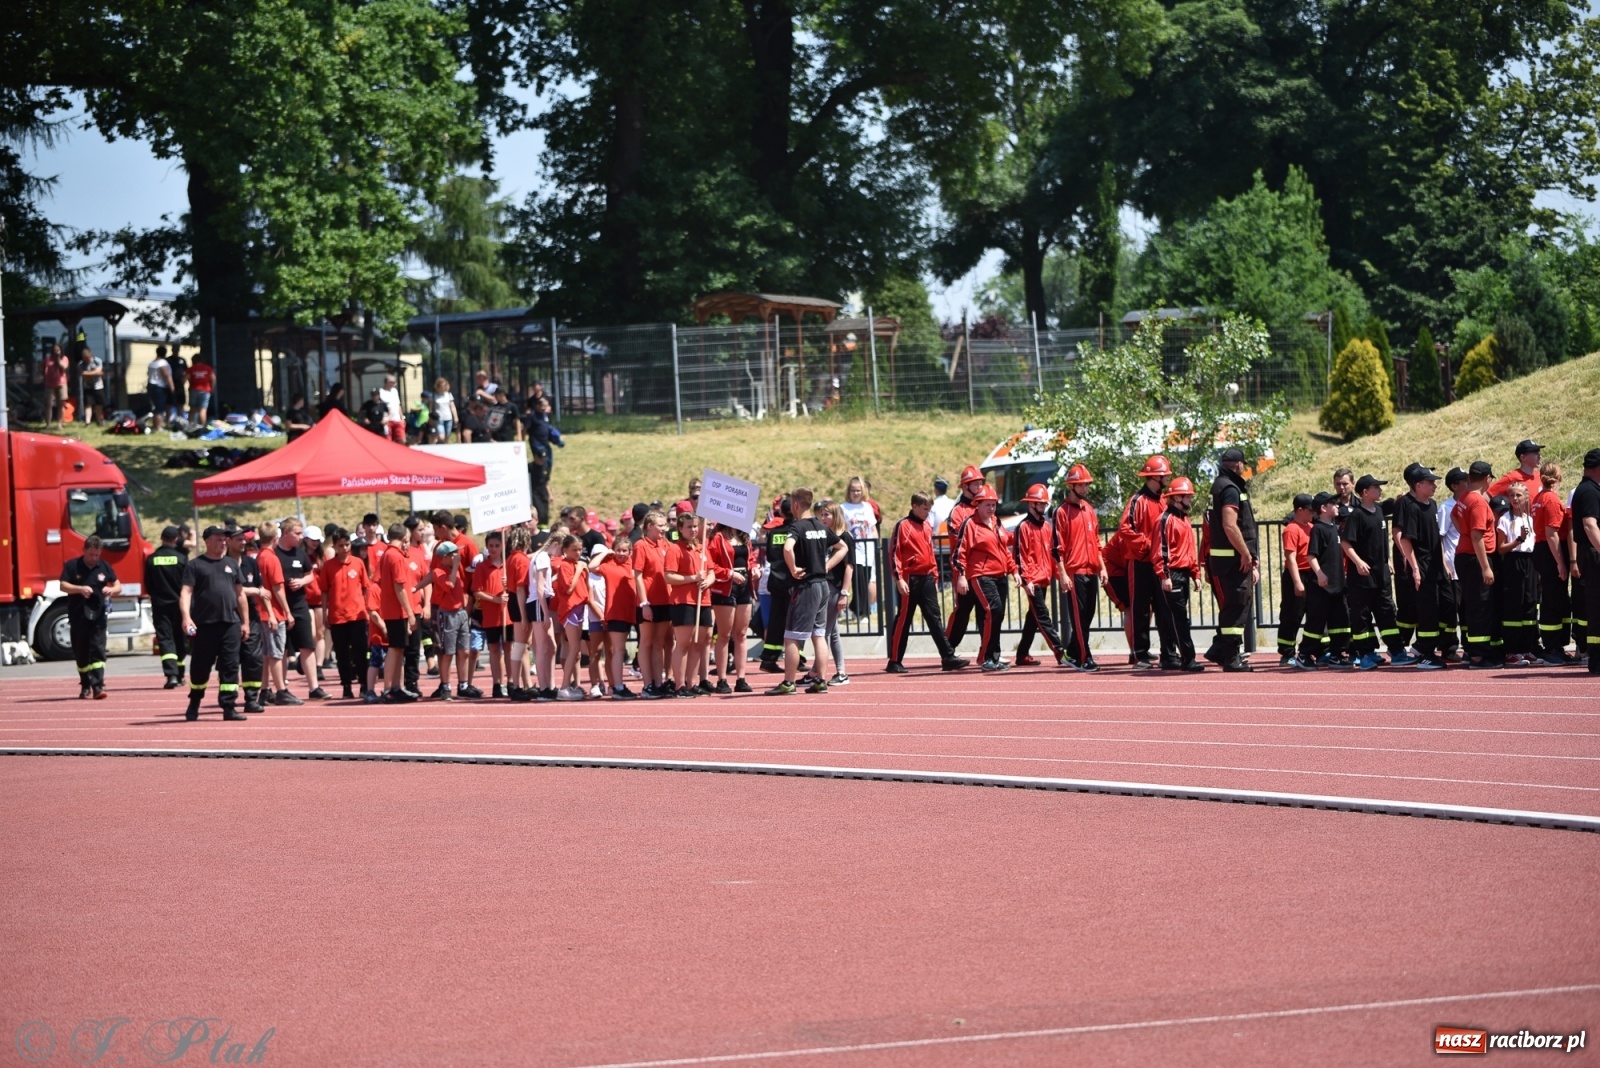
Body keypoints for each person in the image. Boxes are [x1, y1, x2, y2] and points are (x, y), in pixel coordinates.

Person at [768, 487, 846, 695]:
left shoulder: (797, 527)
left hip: (807, 586)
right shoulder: (821, 526)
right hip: (823, 585)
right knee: (819, 635)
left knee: (792, 636)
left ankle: (788, 682)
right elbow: (843, 547)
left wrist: (793, 569)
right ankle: (821, 680)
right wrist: (827, 566)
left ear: (795, 505)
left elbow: (787, 547)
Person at [885, 493, 966, 673]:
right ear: (914, 506)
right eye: (924, 509)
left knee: (934, 617)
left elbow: (930, 553)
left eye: (929, 509)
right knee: (904, 619)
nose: (927, 513)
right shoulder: (902, 525)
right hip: (909, 578)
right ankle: (894, 660)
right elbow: (894, 553)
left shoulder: (928, 526)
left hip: (927, 577)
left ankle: (947, 656)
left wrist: (934, 576)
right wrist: (898, 578)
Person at [177, 527, 249, 720]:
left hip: (230, 624)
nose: (223, 543)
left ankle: (228, 706)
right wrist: (186, 617)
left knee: (230, 666)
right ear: (207, 541)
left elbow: (240, 595)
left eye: (224, 540)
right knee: (200, 667)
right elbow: (186, 593)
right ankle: (194, 702)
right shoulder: (195, 565)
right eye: (218, 540)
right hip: (205, 625)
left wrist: (245, 623)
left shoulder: (232, 564)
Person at [1341, 474, 1407, 670]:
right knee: (1361, 615)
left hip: (1381, 575)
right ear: (1365, 492)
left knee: (1386, 612)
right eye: (1376, 487)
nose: (1380, 490)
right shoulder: (1356, 515)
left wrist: (1386, 561)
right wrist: (1359, 562)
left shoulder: (1378, 511)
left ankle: (1396, 651)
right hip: (1362, 577)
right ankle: (1365, 654)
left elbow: (1379, 543)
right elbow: (1346, 542)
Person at [1111, 455, 1171, 667]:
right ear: (1154, 476)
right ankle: (1139, 654)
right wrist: (1145, 547)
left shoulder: (1164, 500)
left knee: (1164, 608)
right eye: (1164, 475)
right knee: (1140, 609)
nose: (1167, 478)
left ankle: (1168, 653)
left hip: (1158, 563)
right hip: (1140, 562)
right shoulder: (1137, 500)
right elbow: (1125, 527)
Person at [1203, 448, 1258, 672]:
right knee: (1235, 606)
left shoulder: (1221, 485)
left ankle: (1220, 650)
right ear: (1237, 465)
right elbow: (1230, 524)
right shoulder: (1229, 488)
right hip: (1232, 561)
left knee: (1235, 606)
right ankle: (1230, 656)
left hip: (1228, 560)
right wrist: (1245, 553)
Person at [955, 484, 1015, 672]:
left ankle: (993, 655)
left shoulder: (996, 522)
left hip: (1000, 574)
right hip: (981, 575)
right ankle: (986, 657)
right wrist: (962, 576)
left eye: (993, 505)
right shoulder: (970, 524)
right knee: (993, 609)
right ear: (977, 505)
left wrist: (1014, 570)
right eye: (987, 505)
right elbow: (960, 552)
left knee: (997, 613)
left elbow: (1004, 548)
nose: (991, 508)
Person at [1052, 464, 1105, 672]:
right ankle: (1085, 658)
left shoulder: (1090, 510)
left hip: (1091, 570)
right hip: (1074, 573)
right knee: (1079, 618)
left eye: (1086, 485)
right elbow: (1057, 548)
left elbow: (1096, 541)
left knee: (1087, 615)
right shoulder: (1061, 512)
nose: (1085, 489)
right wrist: (1063, 574)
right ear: (1071, 486)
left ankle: (1072, 652)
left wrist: (1102, 568)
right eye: (1081, 485)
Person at [1150, 476, 1204, 672]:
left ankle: (1168, 656)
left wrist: (1195, 574)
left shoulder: (1184, 519)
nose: (1190, 500)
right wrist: (1165, 576)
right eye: (1186, 497)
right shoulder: (1165, 520)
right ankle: (1188, 658)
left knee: (1168, 617)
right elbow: (1160, 550)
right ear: (1176, 498)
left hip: (1182, 573)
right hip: (1171, 574)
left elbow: (1189, 550)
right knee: (1179, 618)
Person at [1395, 466, 1446, 671]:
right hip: (1423, 567)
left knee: (1441, 606)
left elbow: (1437, 538)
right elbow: (1406, 539)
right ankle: (1426, 653)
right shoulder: (1411, 507)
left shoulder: (1432, 505)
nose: (1434, 485)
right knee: (1426, 611)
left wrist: (1443, 564)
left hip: (1436, 567)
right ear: (1418, 485)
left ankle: (1422, 648)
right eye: (1430, 482)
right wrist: (1415, 568)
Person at [60, 535, 121, 698]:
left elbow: (117, 584)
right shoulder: (73, 566)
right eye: (91, 554)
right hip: (78, 615)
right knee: (81, 651)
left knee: (98, 649)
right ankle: (85, 684)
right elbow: (63, 585)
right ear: (84, 551)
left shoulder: (104, 566)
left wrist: (112, 590)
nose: (94, 558)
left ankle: (98, 685)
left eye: (97, 555)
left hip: (99, 614)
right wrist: (80, 589)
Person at [275, 518, 329, 700]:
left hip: (300, 606)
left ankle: (314, 687)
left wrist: (301, 581)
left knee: (307, 646)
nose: (300, 537)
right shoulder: (274, 553)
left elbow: (310, 575)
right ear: (285, 533)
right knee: (281, 650)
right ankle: (281, 689)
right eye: (297, 533)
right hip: (279, 608)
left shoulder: (299, 553)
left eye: (301, 533)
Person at [1011, 483, 1065, 667]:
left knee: (1033, 618)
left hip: (1044, 579)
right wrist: (1026, 581)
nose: (1043, 507)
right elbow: (1019, 557)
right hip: (1032, 581)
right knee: (1042, 615)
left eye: (1044, 504)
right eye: (1040, 504)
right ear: (1031, 505)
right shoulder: (1022, 527)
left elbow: (1052, 555)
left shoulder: (1047, 528)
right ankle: (1060, 651)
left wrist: (1060, 576)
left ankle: (1021, 654)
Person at [1455, 461, 1500, 668]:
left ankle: (1477, 652)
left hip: (1466, 556)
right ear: (1487, 478)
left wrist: (1463, 532)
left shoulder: (1464, 496)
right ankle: (1478, 656)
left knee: (1475, 605)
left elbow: (1455, 515)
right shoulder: (1478, 502)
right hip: (1475, 559)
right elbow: (1476, 537)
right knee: (1480, 607)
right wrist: (1486, 567)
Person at [319, 527, 372, 699]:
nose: (345, 548)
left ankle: (364, 684)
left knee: (360, 652)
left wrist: (367, 609)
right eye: (341, 545)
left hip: (357, 615)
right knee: (342, 654)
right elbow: (325, 591)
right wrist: (326, 612)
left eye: (347, 544)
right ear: (334, 546)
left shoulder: (358, 563)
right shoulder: (328, 566)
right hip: (337, 616)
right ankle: (346, 686)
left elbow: (365, 588)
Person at [1297, 493, 1347, 669]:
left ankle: (1336, 654)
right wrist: (1320, 574)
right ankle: (1304, 654)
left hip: (1337, 585)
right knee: (1316, 622)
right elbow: (1311, 555)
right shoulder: (1318, 529)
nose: (1337, 506)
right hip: (1322, 586)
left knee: (1339, 621)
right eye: (1333, 503)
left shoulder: (1334, 528)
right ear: (1324, 508)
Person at [665, 513, 713, 696]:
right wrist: (693, 578)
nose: (693, 530)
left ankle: (692, 683)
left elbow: (711, 571)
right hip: (683, 601)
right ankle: (679, 685)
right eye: (688, 527)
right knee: (683, 643)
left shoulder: (702, 549)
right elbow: (669, 576)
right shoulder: (675, 549)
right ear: (680, 529)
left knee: (698, 644)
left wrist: (708, 580)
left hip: (704, 600)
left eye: (695, 526)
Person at [1531, 463, 1573, 665]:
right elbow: (1552, 534)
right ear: (1559, 477)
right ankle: (1552, 647)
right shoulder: (1552, 499)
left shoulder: (1539, 498)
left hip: (1540, 549)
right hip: (1549, 552)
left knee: (1553, 599)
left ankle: (1555, 645)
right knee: (1553, 601)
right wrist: (1561, 562)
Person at [707, 521, 756, 693]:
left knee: (741, 634)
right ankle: (722, 679)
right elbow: (710, 564)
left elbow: (750, 559)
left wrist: (754, 568)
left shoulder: (744, 536)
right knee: (724, 635)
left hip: (744, 586)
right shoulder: (717, 537)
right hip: (725, 587)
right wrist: (730, 574)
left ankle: (741, 678)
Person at [377, 521, 423, 702]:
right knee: (395, 649)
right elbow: (400, 587)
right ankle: (389, 688)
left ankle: (395, 687)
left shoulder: (389, 554)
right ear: (405, 537)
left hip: (393, 609)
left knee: (399, 649)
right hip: (396, 611)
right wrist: (410, 613)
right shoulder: (395, 556)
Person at [943, 465, 988, 649]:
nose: (979, 486)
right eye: (975, 483)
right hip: (964, 569)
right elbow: (959, 539)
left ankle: (989, 650)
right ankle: (948, 649)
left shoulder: (984, 507)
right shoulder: (957, 511)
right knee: (963, 611)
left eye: (980, 483)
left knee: (986, 611)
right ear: (965, 486)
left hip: (983, 569)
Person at [1495, 482, 1539, 667]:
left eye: (1518, 495)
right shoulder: (1505, 519)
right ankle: (1511, 650)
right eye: (1512, 495)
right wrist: (1518, 540)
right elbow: (1501, 548)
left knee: (1529, 603)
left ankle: (1527, 648)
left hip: (1530, 562)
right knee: (1514, 604)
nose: (1514, 499)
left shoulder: (1530, 519)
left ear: (1526, 497)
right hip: (1513, 562)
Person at [227, 525, 270, 711]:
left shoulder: (251, 563)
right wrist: (253, 590)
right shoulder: (222, 563)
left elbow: (263, 592)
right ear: (228, 541)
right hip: (228, 616)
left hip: (251, 616)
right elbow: (229, 589)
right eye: (239, 539)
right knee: (229, 660)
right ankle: (228, 700)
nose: (244, 542)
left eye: (244, 539)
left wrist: (271, 614)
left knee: (253, 658)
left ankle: (252, 699)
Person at [145, 525, 189, 688]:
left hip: (160, 605)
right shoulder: (182, 559)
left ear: (162, 539)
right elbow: (188, 584)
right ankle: (180, 674)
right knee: (180, 638)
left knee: (165, 639)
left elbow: (148, 584)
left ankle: (171, 675)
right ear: (176, 539)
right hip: (180, 605)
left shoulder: (151, 559)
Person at [425, 540, 469, 699]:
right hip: (447, 614)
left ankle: (463, 685)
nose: (457, 556)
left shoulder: (456, 568)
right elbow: (449, 585)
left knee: (464, 651)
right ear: (444, 557)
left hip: (460, 611)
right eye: (453, 554)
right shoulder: (438, 571)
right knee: (447, 652)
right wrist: (456, 566)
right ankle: (445, 686)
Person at [816, 500, 854, 684]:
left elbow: (849, 567)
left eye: (826, 515)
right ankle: (838, 671)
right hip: (823, 587)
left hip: (834, 588)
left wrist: (844, 593)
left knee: (823, 632)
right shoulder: (824, 536)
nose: (823, 518)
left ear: (835, 515)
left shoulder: (845, 537)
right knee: (832, 632)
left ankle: (821, 673)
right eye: (821, 515)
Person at [1570, 448, 1600, 675]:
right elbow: (1590, 525)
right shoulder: (1589, 491)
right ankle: (1597, 659)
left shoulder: (1590, 489)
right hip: (1593, 553)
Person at [471, 531, 510, 697]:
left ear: (503, 546)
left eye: (497, 545)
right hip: (491, 615)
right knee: (494, 649)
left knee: (509, 648)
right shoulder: (482, 567)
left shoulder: (507, 565)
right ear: (486, 547)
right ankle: (497, 683)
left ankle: (512, 682)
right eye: (491, 546)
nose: (494, 549)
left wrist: (508, 585)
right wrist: (494, 600)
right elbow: (477, 592)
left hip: (507, 615)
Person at [1276, 495, 1314, 665]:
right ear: (1300, 510)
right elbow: (1290, 558)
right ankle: (1287, 652)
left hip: (1310, 574)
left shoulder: (1311, 527)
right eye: (1310, 510)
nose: (1313, 513)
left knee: (1312, 613)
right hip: (1296, 574)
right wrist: (1297, 582)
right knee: (1292, 614)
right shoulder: (1292, 529)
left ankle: (1311, 651)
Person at [838, 476, 878, 621]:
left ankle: (854, 608)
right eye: (853, 490)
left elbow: (872, 528)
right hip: (853, 549)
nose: (856, 493)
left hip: (867, 548)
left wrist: (875, 543)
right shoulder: (843, 508)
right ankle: (862, 612)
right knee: (858, 580)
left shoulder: (867, 507)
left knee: (866, 579)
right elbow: (840, 528)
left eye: (858, 490)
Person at [147, 346, 175, 429]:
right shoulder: (162, 363)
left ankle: (155, 424)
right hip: (159, 386)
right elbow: (166, 375)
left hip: (151, 385)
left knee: (156, 406)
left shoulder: (152, 363)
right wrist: (172, 387)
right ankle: (158, 426)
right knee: (160, 407)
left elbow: (148, 374)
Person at [43, 342, 69, 428]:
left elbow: (64, 367)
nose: (56, 352)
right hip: (49, 384)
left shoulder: (64, 358)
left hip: (61, 383)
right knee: (48, 404)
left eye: (58, 350)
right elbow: (44, 369)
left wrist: (58, 359)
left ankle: (59, 423)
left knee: (61, 404)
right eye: (54, 350)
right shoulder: (48, 359)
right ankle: (48, 424)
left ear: (61, 350)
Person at [77, 345, 106, 424]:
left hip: (98, 386)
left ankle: (99, 420)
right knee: (88, 404)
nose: (87, 360)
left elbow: (99, 371)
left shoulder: (97, 361)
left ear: (90, 356)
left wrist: (87, 373)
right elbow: (84, 376)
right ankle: (87, 422)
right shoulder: (81, 364)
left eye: (88, 358)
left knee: (99, 404)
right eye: (85, 359)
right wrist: (95, 372)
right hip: (88, 387)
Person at [187, 355, 213, 424]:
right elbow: (213, 379)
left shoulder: (191, 368)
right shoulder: (208, 368)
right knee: (203, 409)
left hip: (193, 390)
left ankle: (190, 426)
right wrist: (211, 389)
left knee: (192, 409)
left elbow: (186, 378)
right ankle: (202, 427)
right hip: (205, 391)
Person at [378, 374, 404, 443]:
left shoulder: (395, 391)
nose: (394, 384)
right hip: (387, 420)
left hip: (397, 420)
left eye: (394, 382)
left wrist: (402, 418)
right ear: (386, 382)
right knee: (388, 440)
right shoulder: (381, 392)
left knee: (401, 439)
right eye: (392, 382)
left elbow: (398, 405)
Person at [432, 377, 458, 442]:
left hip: (448, 418)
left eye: (444, 386)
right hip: (439, 418)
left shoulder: (449, 395)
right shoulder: (434, 396)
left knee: (447, 436)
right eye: (441, 386)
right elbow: (431, 407)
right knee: (441, 437)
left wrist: (455, 417)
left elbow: (452, 406)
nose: (443, 388)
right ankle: (439, 441)